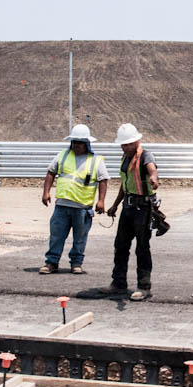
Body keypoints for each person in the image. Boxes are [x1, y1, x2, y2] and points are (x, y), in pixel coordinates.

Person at [40, 123, 108, 274]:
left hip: (82, 208)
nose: (77, 146)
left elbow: (103, 180)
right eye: (74, 142)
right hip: (62, 206)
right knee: (56, 236)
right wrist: (46, 192)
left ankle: (76, 263)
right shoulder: (63, 155)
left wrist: (101, 200)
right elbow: (51, 172)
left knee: (80, 238)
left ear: (86, 144)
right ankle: (52, 262)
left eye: (80, 143)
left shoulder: (96, 160)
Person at [103, 123, 160, 300]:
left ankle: (144, 286)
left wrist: (153, 178)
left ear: (137, 141)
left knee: (142, 247)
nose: (125, 147)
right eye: (123, 144)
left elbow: (152, 169)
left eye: (128, 144)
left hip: (143, 209)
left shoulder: (145, 156)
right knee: (120, 245)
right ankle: (118, 283)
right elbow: (125, 184)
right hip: (128, 207)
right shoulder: (125, 158)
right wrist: (115, 205)